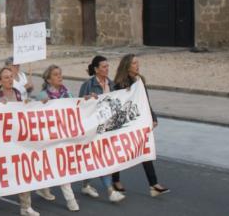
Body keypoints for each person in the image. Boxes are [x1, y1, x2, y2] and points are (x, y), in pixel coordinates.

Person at [111, 54, 169, 197]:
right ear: (127, 66)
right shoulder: (119, 84)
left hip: (139, 123)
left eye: (138, 62)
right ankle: (115, 180)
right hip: (126, 124)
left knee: (145, 151)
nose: (138, 65)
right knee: (120, 152)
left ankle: (153, 184)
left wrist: (153, 117)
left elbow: (145, 102)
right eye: (134, 63)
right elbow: (118, 105)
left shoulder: (140, 80)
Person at [0, 67, 39, 216]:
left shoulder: (17, 93)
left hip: (18, 140)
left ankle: (25, 206)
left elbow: (22, 112)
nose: (10, 80)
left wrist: (32, 104)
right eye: (6, 77)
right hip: (2, 142)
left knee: (24, 170)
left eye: (11, 77)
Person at [78, 56, 126, 203]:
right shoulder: (88, 85)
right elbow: (79, 105)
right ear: (96, 69)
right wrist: (88, 99)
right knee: (100, 158)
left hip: (108, 128)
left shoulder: (111, 84)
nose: (107, 69)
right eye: (104, 67)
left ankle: (85, 184)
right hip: (93, 129)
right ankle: (110, 191)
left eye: (107, 66)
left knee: (99, 158)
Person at [35, 65, 80, 212]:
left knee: (56, 166)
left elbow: (77, 106)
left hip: (64, 137)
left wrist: (86, 100)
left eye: (60, 74)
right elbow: (34, 115)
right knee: (59, 167)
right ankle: (70, 199)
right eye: (55, 75)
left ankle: (42, 188)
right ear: (48, 79)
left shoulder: (67, 94)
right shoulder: (42, 96)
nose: (59, 77)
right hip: (49, 139)